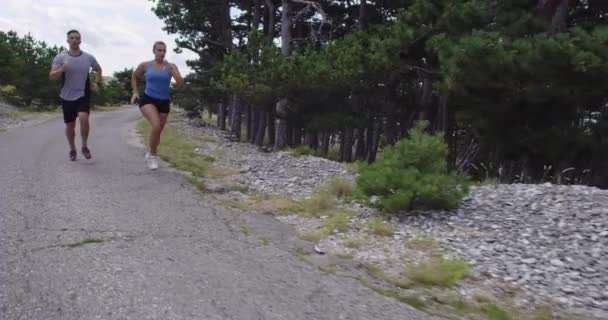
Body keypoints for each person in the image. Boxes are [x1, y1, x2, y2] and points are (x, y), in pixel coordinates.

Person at [49, 30, 102, 161]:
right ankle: (72, 149)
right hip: (66, 96)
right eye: (71, 38)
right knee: (70, 125)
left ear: (80, 41)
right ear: (67, 40)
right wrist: (61, 69)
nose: (74, 40)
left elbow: (98, 69)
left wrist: (96, 83)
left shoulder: (88, 57)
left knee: (84, 118)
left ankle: (84, 146)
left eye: (77, 38)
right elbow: (52, 76)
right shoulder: (60, 57)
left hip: (83, 94)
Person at [131, 41, 184, 170]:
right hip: (148, 99)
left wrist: (174, 73)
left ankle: (150, 152)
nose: (162, 53)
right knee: (156, 125)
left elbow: (181, 84)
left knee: (158, 131)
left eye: (164, 51)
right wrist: (135, 92)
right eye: (159, 50)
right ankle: (153, 156)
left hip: (164, 101)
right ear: (154, 51)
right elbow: (134, 76)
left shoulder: (171, 66)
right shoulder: (145, 65)